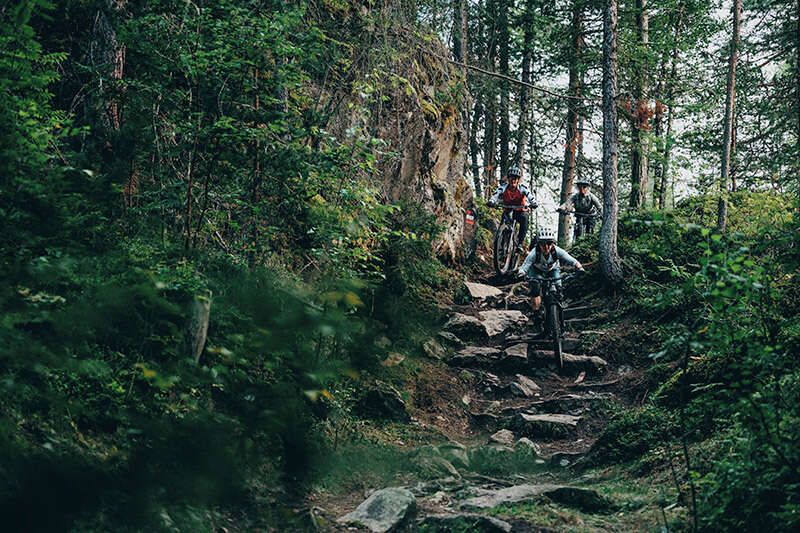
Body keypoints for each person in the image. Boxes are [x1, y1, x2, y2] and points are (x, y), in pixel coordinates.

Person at [517, 226, 584, 328]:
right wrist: (521, 273)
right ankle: (536, 314)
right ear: (538, 244)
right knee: (535, 289)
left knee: (558, 288)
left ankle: (559, 313)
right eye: (543, 244)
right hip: (536, 270)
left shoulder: (557, 251)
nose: (546, 247)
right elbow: (525, 266)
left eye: (549, 243)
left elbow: (571, 260)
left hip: (553, 269)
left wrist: (579, 267)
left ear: (553, 244)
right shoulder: (534, 253)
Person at [487, 166, 538, 251]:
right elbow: (496, 194)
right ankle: (500, 244)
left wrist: (533, 203)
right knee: (502, 224)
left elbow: (530, 196)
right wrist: (491, 201)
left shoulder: (522, 188)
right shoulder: (503, 187)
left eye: (515, 178)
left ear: (518, 180)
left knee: (525, 219)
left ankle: (520, 244)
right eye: (511, 178)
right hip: (507, 209)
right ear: (508, 179)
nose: (513, 180)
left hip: (519, 211)